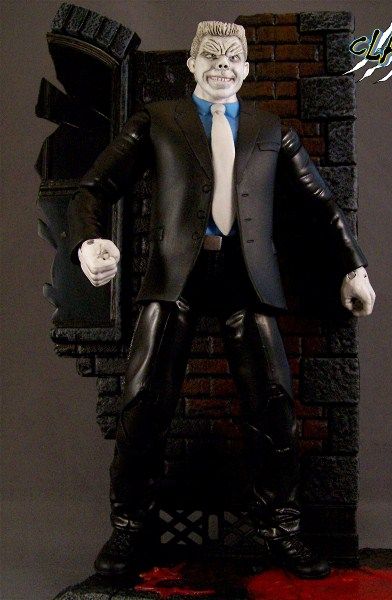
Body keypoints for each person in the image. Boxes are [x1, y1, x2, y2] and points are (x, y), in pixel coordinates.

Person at [67, 20, 375, 580]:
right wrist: (89, 241)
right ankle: (130, 525)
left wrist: (353, 267)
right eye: (211, 55)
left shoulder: (268, 127)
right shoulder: (158, 119)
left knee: (274, 404)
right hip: (176, 276)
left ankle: (281, 526)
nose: (223, 66)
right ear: (192, 63)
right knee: (143, 401)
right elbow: (95, 186)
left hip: (246, 277)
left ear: (247, 69)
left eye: (233, 57)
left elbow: (320, 203)